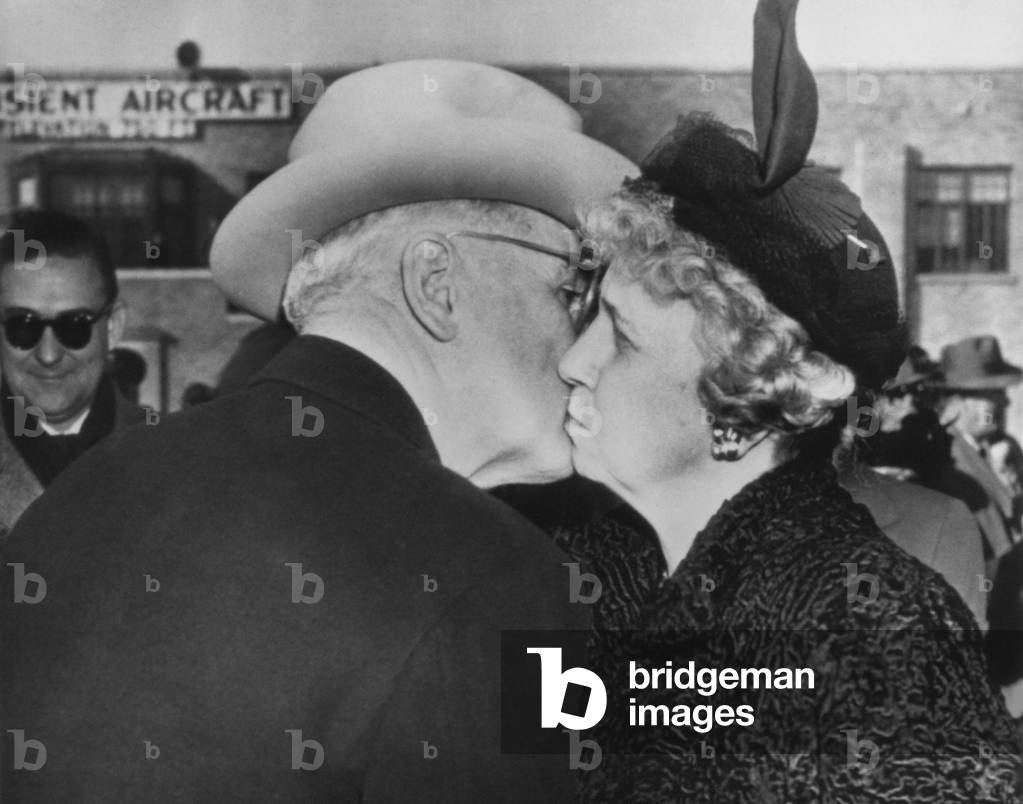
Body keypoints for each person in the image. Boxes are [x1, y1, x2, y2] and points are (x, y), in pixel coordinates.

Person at [1, 60, 637, 801]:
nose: (589, 343)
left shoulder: (86, 495)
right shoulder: (506, 577)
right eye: (571, 290)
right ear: (434, 285)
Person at [552, 1, 1021, 799]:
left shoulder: (870, 624)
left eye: (622, 336)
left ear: (745, 400)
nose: (571, 361)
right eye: (588, 317)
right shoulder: (583, 573)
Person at [0, 209, 144, 544]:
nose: (48, 355)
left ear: (113, 326)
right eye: (23, 325)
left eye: (73, 326)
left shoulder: (176, 458)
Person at [932, 335, 1022, 565]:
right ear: (958, 402)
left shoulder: (1005, 448)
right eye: (992, 395)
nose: (1005, 403)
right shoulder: (943, 457)